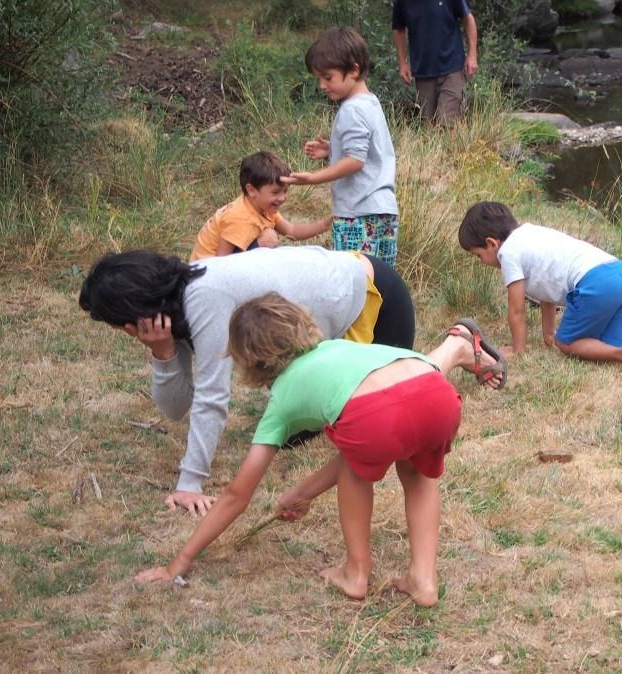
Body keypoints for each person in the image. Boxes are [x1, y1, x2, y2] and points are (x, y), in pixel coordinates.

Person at [134, 294, 506, 607]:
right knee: (416, 471)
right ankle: (423, 580)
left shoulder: (282, 398)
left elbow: (237, 495)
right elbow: (369, 439)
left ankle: (355, 573)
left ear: (248, 360)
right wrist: (302, 493)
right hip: (435, 391)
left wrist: (178, 563)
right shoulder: (338, 347)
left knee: (357, 465)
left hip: (382, 413)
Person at [79, 246, 416, 515]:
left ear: (133, 310)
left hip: (374, 299)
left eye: (118, 323)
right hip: (341, 305)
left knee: (384, 415)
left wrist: (190, 483)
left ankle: (459, 346)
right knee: (293, 435)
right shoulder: (174, 308)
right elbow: (177, 409)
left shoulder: (203, 295)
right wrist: (163, 353)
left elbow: (212, 396)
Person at [458, 201, 622, 377]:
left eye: (478, 255)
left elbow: (516, 311)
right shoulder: (530, 234)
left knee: (568, 343)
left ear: (492, 243)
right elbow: (546, 294)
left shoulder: (508, 253)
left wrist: (518, 350)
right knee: (606, 342)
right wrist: (548, 335)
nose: (481, 263)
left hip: (596, 282)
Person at [282, 27, 400, 267]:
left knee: (354, 283)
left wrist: (314, 178)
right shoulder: (371, 103)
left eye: (328, 77)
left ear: (354, 70)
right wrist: (332, 151)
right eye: (319, 78)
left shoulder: (351, 109)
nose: (322, 85)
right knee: (381, 284)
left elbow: (355, 161)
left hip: (357, 215)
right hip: (384, 211)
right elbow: (368, 151)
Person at [190, 151, 330, 261]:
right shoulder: (239, 218)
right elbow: (220, 263)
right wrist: (259, 246)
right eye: (275, 192)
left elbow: (292, 232)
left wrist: (325, 225)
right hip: (208, 274)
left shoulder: (263, 207)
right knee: (268, 238)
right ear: (251, 190)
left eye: (285, 191)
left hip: (222, 265)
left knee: (269, 240)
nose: (282, 198)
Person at [392, 0, 478, 124]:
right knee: (430, 127)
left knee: (448, 122)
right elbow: (398, 28)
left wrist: (472, 55)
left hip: (452, 67)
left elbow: (468, 18)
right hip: (423, 71)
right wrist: (402, 63)